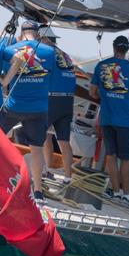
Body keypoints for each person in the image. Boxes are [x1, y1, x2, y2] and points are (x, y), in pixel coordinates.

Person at [0, 20, 56, 204]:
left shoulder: (11, 49)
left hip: (14, 106)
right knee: (37, 150)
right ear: (38, 33)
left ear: (22, 33)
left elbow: (5, 77)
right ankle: (38, 192)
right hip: (38, 109)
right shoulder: (49, 52)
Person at [89, 36, 129, 204]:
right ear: (127, 50)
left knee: (111, 155)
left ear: (114, 47)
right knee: (126, 158)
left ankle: (116, 191)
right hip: (125, 120)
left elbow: (92, 92)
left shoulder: (101, 66)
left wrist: (105, 96)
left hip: (107, 117)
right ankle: (125, 195)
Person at [39, 25, 76, 183]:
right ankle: (67, 177)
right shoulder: (66, 55)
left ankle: (43, 171)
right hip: (67, 101)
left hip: (52, 99)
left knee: (39, 134)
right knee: (63, 140)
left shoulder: (46, 53)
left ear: (43, 39)